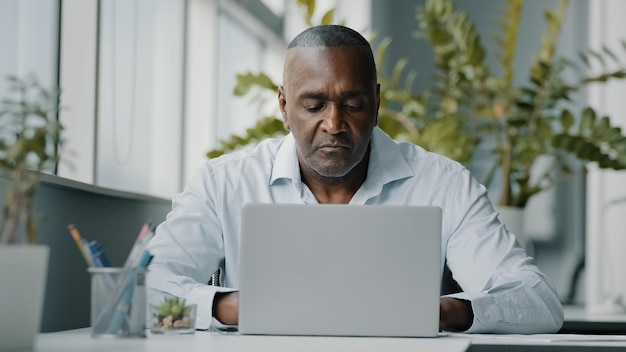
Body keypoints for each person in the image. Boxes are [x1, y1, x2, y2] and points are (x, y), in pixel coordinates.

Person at [147, 24, 564, 334]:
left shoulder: (444, 183)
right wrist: (232, 307)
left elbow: (539, 302)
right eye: (313, 105)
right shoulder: (224, 183)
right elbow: (146, 287)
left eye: (353, 104)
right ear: (283, 105)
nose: (334, 123)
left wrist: (438, 311)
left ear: (377, 103)